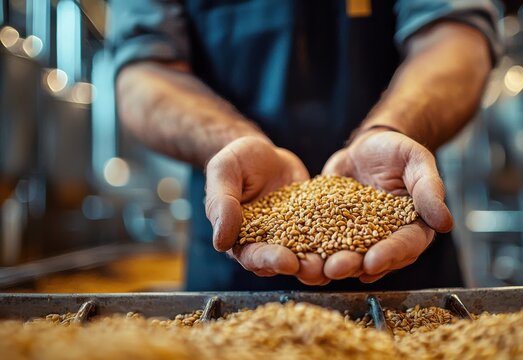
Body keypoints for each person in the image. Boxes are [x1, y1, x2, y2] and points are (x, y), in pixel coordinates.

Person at [108, 0, 501, 291]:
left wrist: (389, 128)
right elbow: (143, 72)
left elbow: (455, 35)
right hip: (236, 260)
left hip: (405, 266)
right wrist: (231, 142)